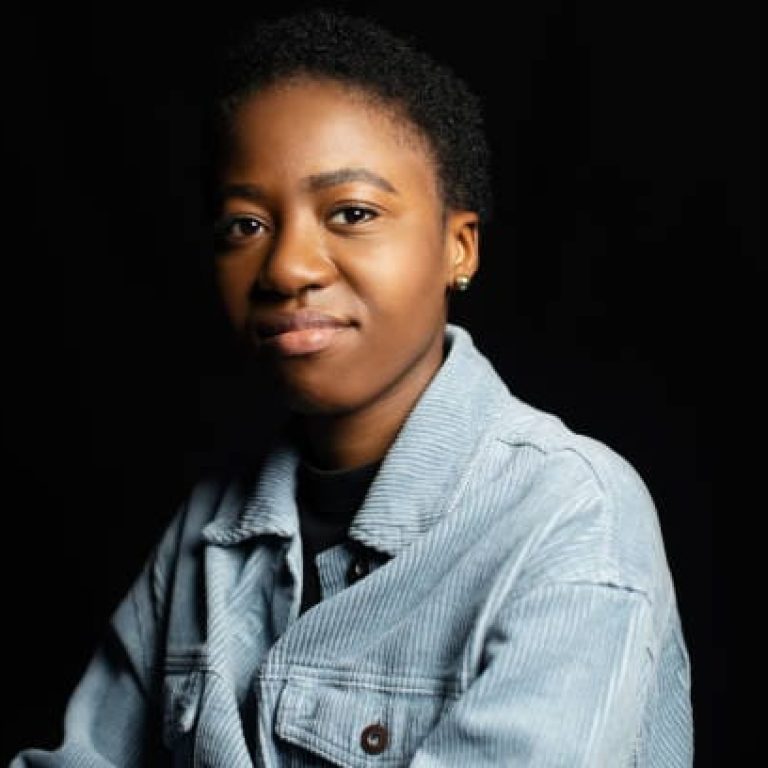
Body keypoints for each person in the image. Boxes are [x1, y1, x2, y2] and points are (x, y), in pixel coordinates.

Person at [11, 8, 693, 766]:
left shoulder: (567, 516)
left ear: (457, 248)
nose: (286, 268)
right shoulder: (210, 528)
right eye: (244, 225)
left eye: (353, 213)